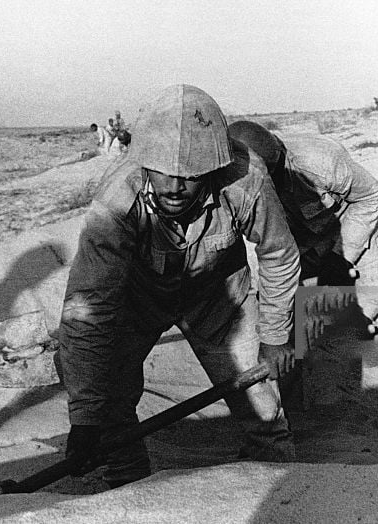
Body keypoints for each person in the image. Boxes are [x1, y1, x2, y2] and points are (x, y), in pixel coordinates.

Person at [57, 85, 301, 489]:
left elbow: (278, 253)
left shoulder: (245, 180)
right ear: (143, 162)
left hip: (219, 298)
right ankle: (130, 490)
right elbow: (87, 306)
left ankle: (284, 493)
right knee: (108, 407)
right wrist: (83, 417)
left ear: (213, 167)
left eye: (189, 176)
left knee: (263, 408)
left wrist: (275, 338)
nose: (173, 187)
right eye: (163, 172)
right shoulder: (117, 201)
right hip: (136, 300)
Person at [228, 120, 378, 441]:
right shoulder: (235, 179)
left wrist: (341, 255)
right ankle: (285, 413)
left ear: (275, 160)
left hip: (351, 232)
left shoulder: (318, 161)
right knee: (277, 323)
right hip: (294, 246)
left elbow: (372, 196)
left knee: (375, 318)